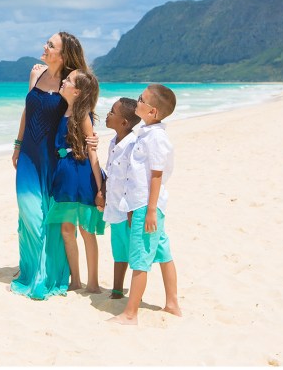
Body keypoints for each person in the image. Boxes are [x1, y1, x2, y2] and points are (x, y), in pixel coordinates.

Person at [10, 32, 90, 300]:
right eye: (46, 42)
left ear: (63, 55)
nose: (44, 46)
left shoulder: (70, 83)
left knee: (50, 217)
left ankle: (48, 273)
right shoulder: (36, 73)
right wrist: (18, 144)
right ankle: (32, 269)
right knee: (29, 214)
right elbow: (26, 110)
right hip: (29, 156)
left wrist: (91, 140)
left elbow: (80, 115)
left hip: (55, 159)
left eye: (51, 45)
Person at [109, 84, 182, 325]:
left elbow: (157, 175)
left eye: (141, 99)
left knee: (140, 257)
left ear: (152, 112)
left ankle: (131, 313)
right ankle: (172, 303)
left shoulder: (156, 138)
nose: (137, 101)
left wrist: (149, 210)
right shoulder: (145, 133)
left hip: (147, 206)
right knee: (162, 250)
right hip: (140, 204)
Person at [46, 69, 106, 293]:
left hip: (81, 175)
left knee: (86, 229)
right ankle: (76, 280)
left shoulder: (82, 115)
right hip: (64, 175)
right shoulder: (63, 111)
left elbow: (92, 153)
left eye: (68, 80)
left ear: (78, 91)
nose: (63, 81)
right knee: (66, 229)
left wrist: (100, 188)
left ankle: (93, 282)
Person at [101, 97, 142, 299]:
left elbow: (134, 178)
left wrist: (133, 208)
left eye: (112, 112)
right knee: (118, 249)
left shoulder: (133, 144)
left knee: (133, 251)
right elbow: (109, 173)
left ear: (124, 123)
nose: (108, 114)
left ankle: (136, 291)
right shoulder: (112, 143)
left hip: (128, 209)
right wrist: (102, 192)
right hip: (114, 207)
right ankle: (117, 288)